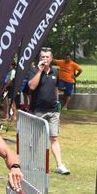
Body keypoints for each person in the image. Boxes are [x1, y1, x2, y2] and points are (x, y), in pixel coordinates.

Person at [27, 47, 70, 175]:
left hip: (53, 111)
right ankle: (32, 163)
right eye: (42, 57)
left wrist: (57, 102)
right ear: (39, 58)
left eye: (47, 57)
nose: (45, 59)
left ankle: (60, 165)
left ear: (51, 59)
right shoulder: (33, 70)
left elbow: (55, 88)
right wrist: (39, 71)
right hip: (38, 110)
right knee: (35, 138)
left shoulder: (55, 72)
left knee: (54, 138)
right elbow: (31, 86)